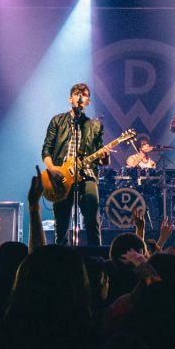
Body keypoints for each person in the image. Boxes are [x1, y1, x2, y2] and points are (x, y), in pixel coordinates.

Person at [42, 83, 108, 246]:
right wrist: (52, 169)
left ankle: (95, 259)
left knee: (92, 219)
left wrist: (105, 157)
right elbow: (46, 150)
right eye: (77, 93)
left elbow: (102, 161)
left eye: (84, 94)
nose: (80, 96)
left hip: (87, 176)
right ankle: (61, 259)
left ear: (88, 101)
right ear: (70, 98)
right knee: (62, 223)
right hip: (61, 176)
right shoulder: (58, 121)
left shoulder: (95, 126)